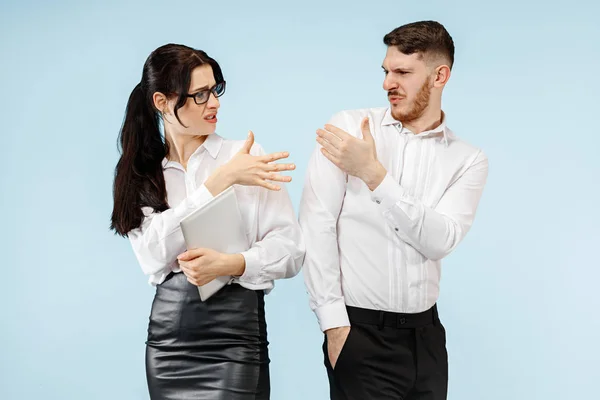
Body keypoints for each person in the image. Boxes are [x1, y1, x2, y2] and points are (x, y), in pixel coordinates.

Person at [299, 21, 489, 400]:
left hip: (427, 339)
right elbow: (316, 225)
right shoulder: (349, 129)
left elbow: (440, 240)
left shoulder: (467, 160)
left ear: (440, 76)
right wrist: (334, 326)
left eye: (403, 72)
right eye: (386, 71)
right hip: (360, 335)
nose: (388, 83)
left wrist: (372, 173)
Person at [110, 43, 305, 400]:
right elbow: (151, 255)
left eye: (215, 90)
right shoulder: (142, 173)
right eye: (200, 95)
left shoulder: (244, 156)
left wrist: (233, 263)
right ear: (162, 102)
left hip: (235, 332)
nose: (214, 102)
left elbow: (291, 250)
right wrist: (218, 184)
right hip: (169, 341)